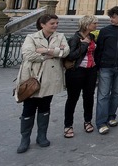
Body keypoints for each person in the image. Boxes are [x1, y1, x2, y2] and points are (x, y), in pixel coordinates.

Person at [15, 14, 70, 153]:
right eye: (52, 23)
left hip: (50, 79)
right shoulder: (31, 37)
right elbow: (28, 55)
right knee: (28, 108)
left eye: (57, 23)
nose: (56, 25)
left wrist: (44, 50)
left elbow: (65, 52)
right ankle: (25, 138)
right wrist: (51, 53)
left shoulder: (60, 36)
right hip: (32, 79)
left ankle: (41, 136)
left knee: (45, 107)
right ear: (42, 25)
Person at [94, 6, 118, 135]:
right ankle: (101, 122)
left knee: (117, 93)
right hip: (106, 66)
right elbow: (99, 49)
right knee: (103, 94)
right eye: (110, 17)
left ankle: (111, 116)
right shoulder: (105, 31)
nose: (111, 19)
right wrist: (98, 66)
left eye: (114, 17)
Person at [63, 15, 98, 138]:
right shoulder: (75, 38)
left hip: (91, 71)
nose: (96, 25)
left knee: (89, 97)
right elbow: (70, 56)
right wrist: (84, 45)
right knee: (72, 99)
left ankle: (87, 121)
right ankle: (68, 125)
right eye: (94, 23)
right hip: (76, 71)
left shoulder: (92, 37)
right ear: (87, 25)